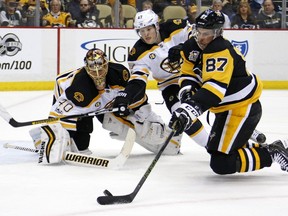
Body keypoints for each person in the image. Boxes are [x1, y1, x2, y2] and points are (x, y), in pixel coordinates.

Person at [168, 9, 288, 175]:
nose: (201, 38)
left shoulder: (220, 50)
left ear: (218, 33)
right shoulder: (191, 47)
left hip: (241, 108)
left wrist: (189, 110)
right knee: (213, 149)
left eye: (207, 33)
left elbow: (213, 90)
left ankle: (272, 153)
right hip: (225, 109)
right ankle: (261, 145)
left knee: (221, 163)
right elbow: (188, 74)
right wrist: (187, 95)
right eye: (199, 32)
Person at [29, 48, 181, 164]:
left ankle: (166, 142)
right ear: (86, 69)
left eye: (101, 68)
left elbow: (138, 99)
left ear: (107, 64)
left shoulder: (120, 73)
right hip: (73, 96)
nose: (98, 74)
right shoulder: (79, 89)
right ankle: (40, 138)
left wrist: (147, 118)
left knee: (117, 123)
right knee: (76, 145)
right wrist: (51, 139)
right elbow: (57, 115)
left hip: (103, 101)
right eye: (92, 70)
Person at [112, 9, 210, 149]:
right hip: (169, 84)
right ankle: (210, 146)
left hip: (193, 74)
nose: (145, 34)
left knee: (218, 98)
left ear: (156, 26)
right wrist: (126, 96)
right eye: (141, 30)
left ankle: (243, 133)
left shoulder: (174, 27)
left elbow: (199, 37)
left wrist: (183, 48)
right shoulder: (138, 53)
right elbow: (137, 81)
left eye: (148, 29)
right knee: (179, 113)